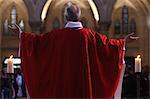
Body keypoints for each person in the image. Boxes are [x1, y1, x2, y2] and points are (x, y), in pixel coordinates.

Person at [9, 2, 138, 98]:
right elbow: (109, 46)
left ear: (66, 17)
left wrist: (21, 34)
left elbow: (36, 43)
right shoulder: (90, 36)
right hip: (83, 89)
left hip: (62, 90)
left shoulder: (56, 37)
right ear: (80, 17)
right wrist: (123, 42)